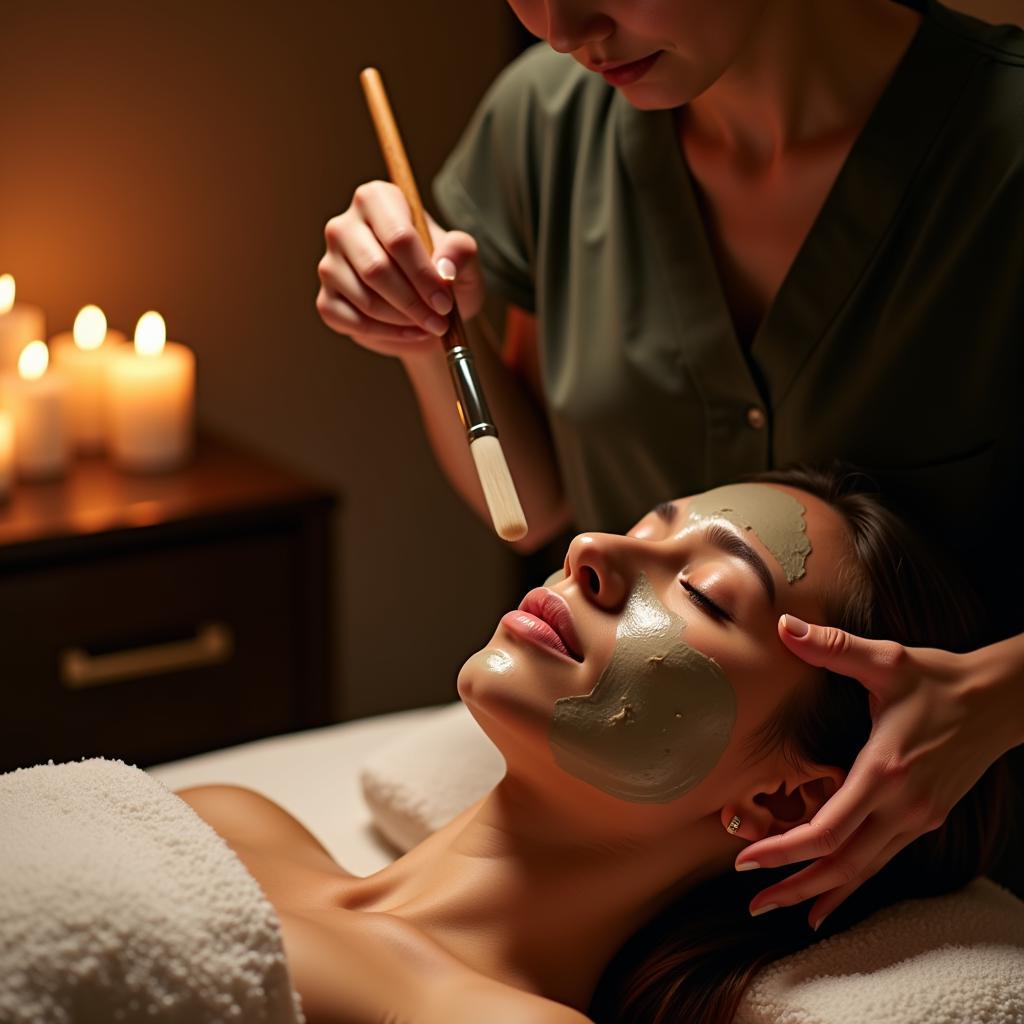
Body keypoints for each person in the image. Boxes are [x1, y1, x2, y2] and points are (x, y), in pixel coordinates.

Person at [316, 0, 1024, 922]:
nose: (563, 28)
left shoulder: (999, 153)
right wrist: (423, 338)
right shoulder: (547, 120)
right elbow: (528, 506)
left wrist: (1003, 699)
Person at [179, 467, 1011, 1023]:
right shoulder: (223, 822)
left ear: (782, 802)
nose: (588, 550)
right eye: (642, 526)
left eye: (707, 595)